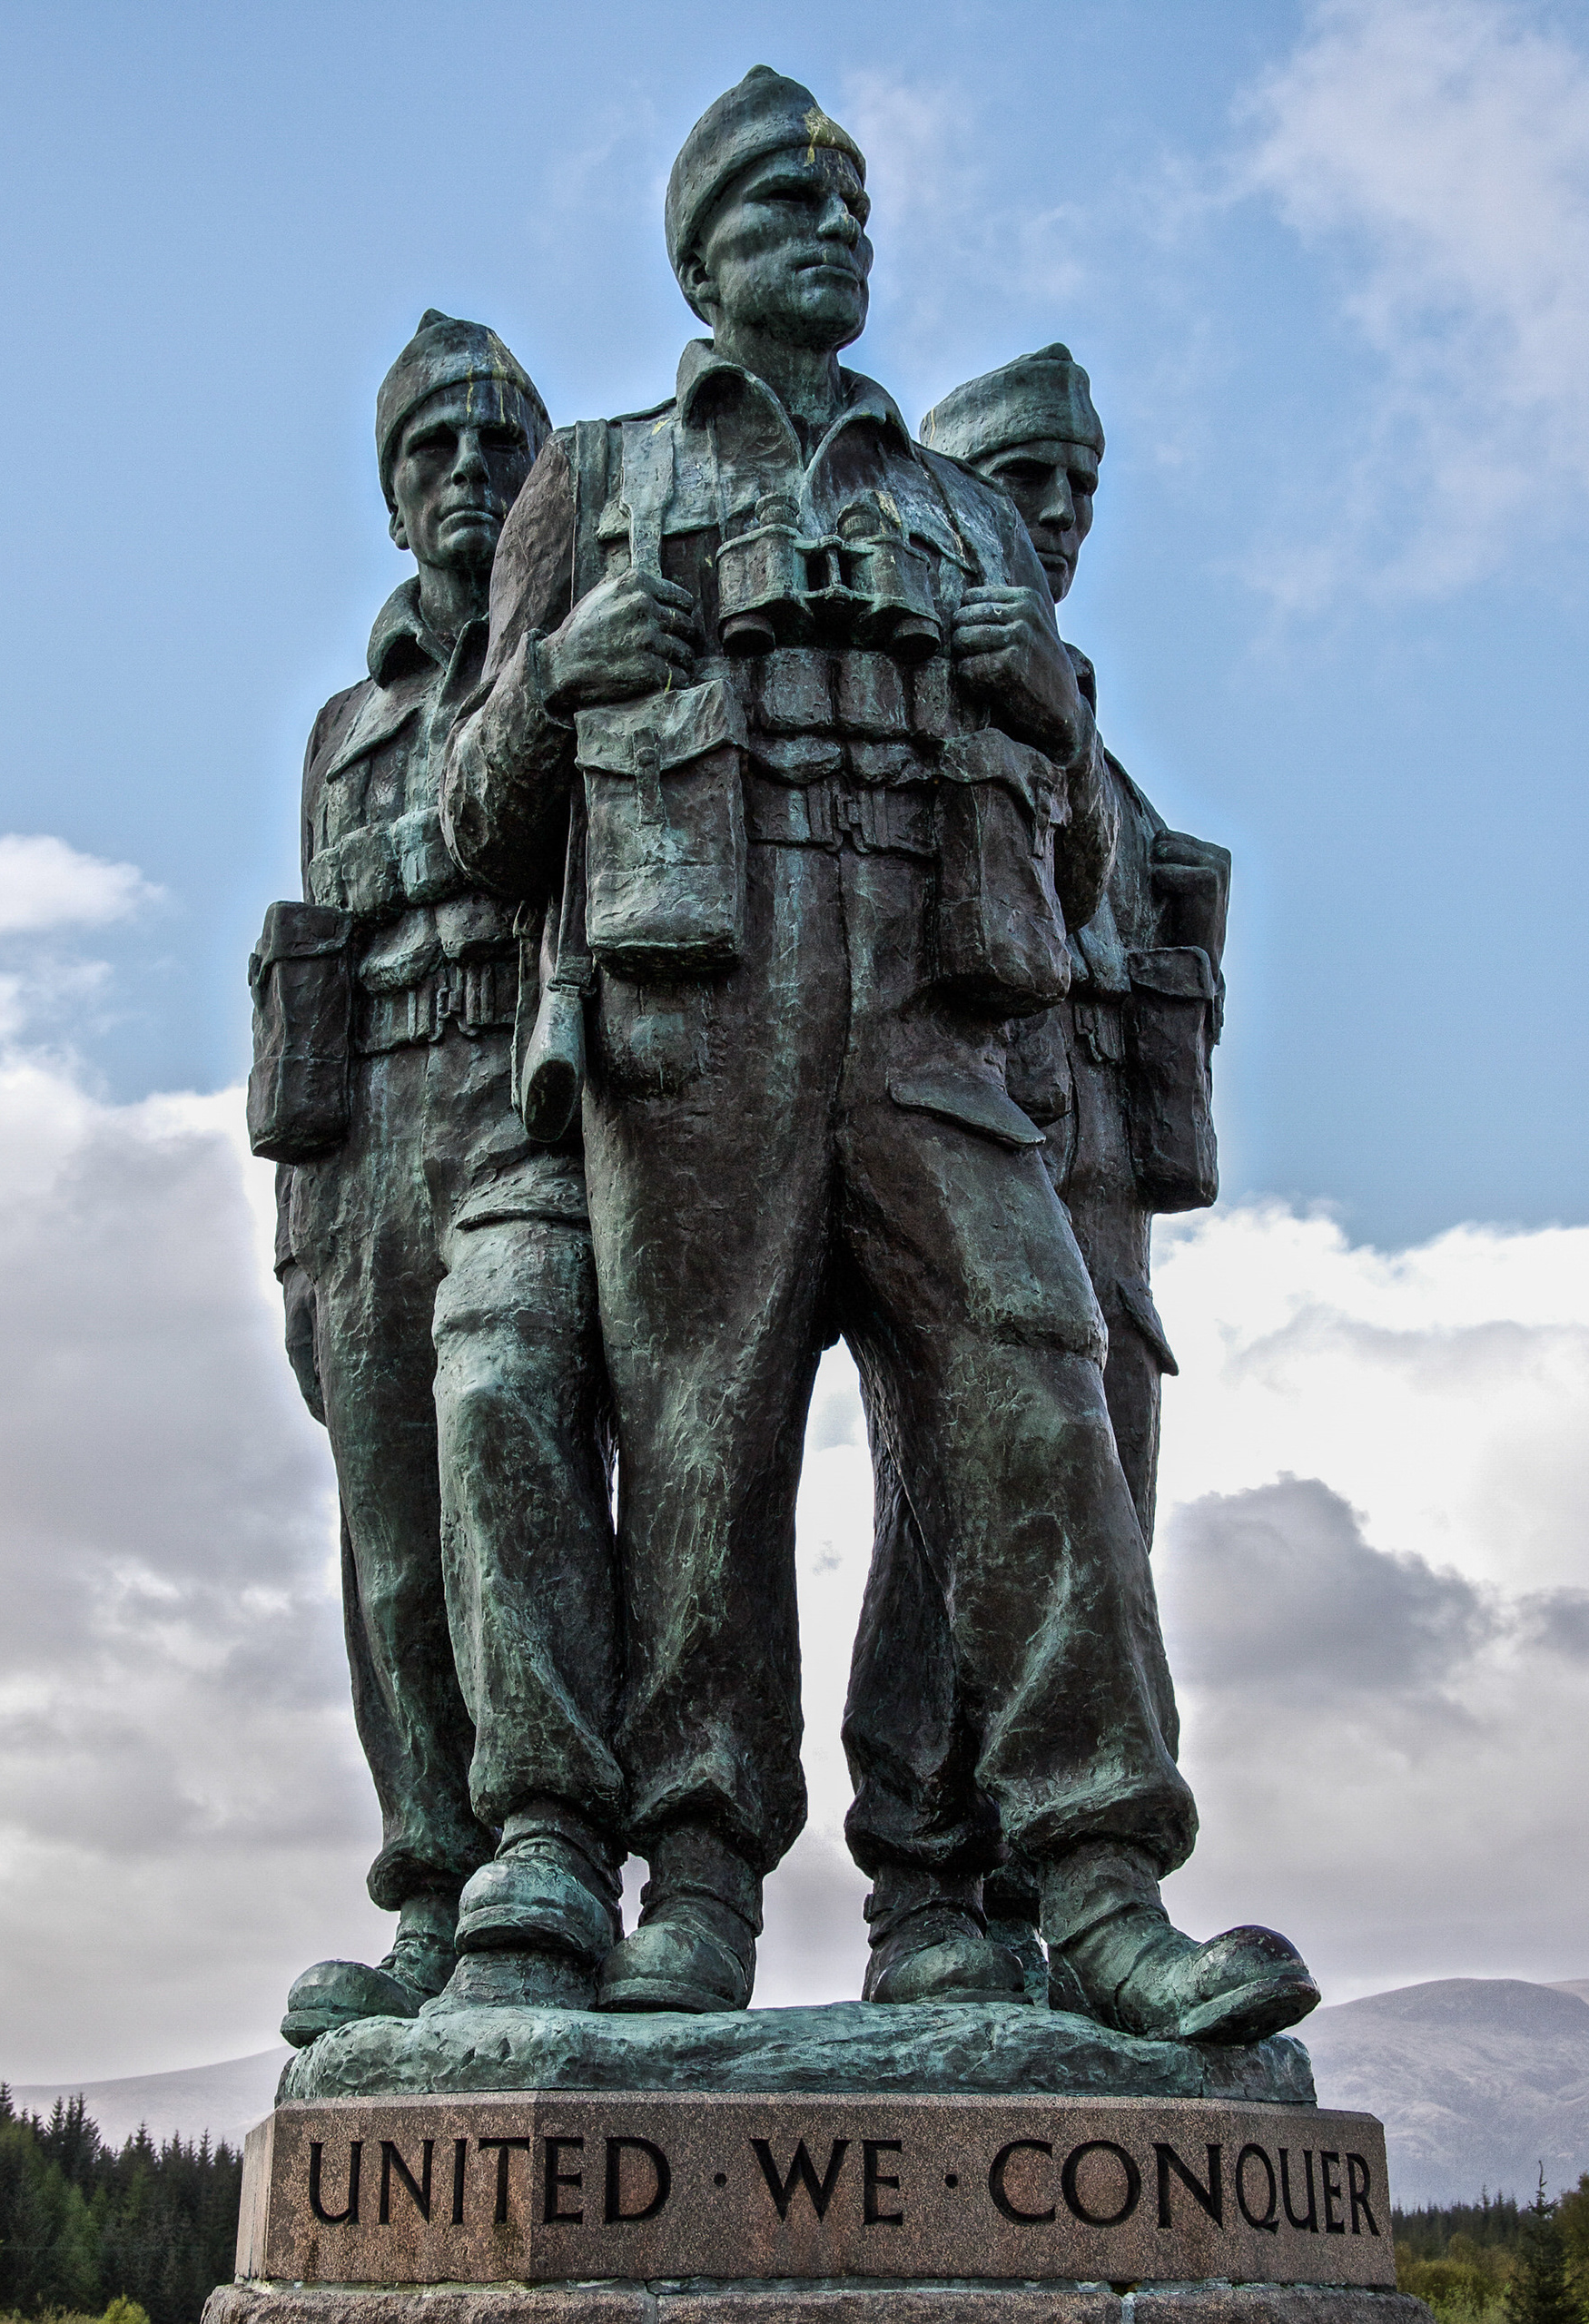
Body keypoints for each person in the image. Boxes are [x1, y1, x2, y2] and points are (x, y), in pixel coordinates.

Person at [443, 68, 1317, 2043]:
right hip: (698, 1027)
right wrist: (568, 673)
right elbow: (475, 822)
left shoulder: (963, 511)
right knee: (700, 1451)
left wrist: (1041, 698)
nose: (828, 231)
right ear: (701, 256)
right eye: (778, 205)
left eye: (848, 205)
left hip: (937, 1030)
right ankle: (702, 1880)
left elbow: (1086, 853)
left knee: (1032, 1392)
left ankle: (1083, 1877)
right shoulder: (588, 479)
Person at [843, 347, 1240, 2016]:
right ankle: (929, 1879)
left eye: (1083, 483)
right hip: (937, 1130)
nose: (1061, 513)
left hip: (1099, 1201)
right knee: (945, 1509)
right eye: (1026, 479)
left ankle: (1036, 1900)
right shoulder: (902, 698)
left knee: (1092, 1509)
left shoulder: (1089, 741)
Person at [253, 312, 626, 2041]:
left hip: (523, 1112)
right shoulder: (339, 726)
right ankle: (433, 1884)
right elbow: (306, 970)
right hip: (362, 1152)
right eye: (433, 452)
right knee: (393, 1548)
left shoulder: (579, 633)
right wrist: (297, 1247)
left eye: (497, 447)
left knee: (504, 1426)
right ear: (392, 495)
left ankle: (551, 1845)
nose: (468, 476)